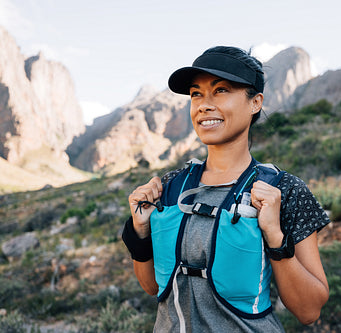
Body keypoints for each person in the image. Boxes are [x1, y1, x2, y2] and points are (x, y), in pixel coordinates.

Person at [122, 46, 330, 332]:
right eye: (196, 93)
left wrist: (274, 235)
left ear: (255, 102)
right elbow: (152, 286)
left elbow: (309, 310)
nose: (204, 105)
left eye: (220, 90)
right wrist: (140, 233)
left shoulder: (284, 190)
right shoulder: (171, 186)